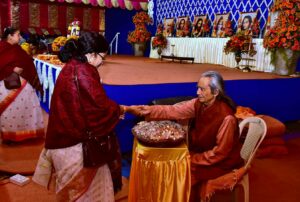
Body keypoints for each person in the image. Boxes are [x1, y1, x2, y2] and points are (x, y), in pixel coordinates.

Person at [33, 31, 126, 201]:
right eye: (102, 57)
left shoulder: (71, 66)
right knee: (91, 194)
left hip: (60, 139)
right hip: (77, 147)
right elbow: (99, 109)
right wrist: (118, 109)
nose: (102, 62)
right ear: (91, 54)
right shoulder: (84, 72)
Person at [129, 71, 243, 201]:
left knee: (182, 172)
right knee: (174, 166)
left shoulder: (227, 118)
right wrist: (149, 109)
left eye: (202, 89)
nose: (197, 93)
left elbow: (220, 153)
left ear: (216, 92)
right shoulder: (199, 103)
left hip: (221, 162)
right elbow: (174, 111)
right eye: (197, 88)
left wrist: (192, 159)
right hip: (202, 153)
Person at [0, 27, 44, 143]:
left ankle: (25, 134)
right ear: (10, 36)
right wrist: (12, 69)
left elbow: (26, 62)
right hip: (5, 83)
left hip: (23, 83)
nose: (20, 37)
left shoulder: (17, 49)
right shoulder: (2, 47)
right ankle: (9, 136)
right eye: (18, 35)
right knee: (9, 111)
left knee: (27, 107)